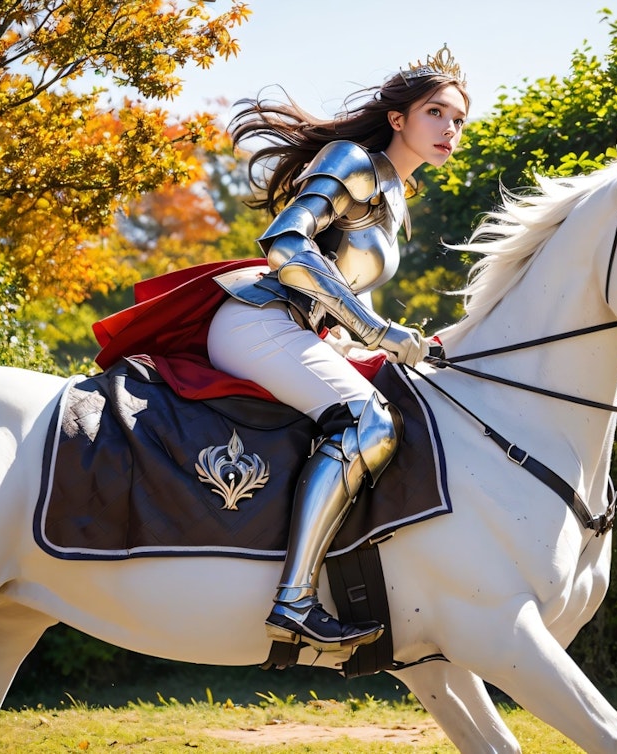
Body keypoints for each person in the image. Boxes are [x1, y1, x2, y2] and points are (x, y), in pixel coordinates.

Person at [206, 45, 470, 651]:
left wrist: (383, 338)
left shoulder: (398, 200)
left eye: (457, 120)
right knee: (368, 421)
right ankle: (295, 603)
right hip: (258, 319)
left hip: (300, 329)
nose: (449, 129)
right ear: (399, 118)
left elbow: (344, 289)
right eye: (436, 113)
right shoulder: (352, 161)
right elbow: (286, 243)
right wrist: (377, 334)